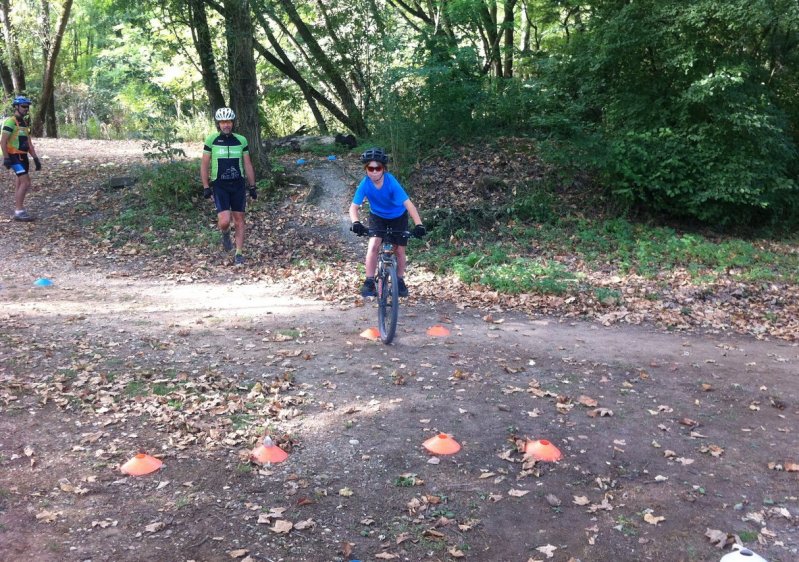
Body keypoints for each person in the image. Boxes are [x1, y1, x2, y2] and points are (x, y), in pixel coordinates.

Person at [349, 147, 426, 297]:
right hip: (378, 217)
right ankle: (370, 281)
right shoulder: (365, 184)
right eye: (370, 168)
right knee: (373, 245)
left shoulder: (391, 182)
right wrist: (356, 222)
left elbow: (408, 205)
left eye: (378, 168)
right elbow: (353, 207)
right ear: (366, 169)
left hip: (398, 216)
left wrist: (419, 224)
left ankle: (400, 280)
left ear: (383, 169)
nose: (374, 171)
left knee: (399, 250)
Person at [200, 107, 257, 266]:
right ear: (218, 124)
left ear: (233, 123)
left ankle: (239, 253)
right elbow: (204, 164)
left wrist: (252, 186)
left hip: (238, 184)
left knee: (239, 219)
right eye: (223, 122)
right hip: (220, 185)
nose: (226, 125)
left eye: (229, 122)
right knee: (224, 220)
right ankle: (225, 233)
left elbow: (247, 163)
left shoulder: (241, 140)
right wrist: (206, 186)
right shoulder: (211, 140)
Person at [2, 96, 42, 222]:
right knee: (26, 182)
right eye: (24, 106)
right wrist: (6, 158)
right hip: (14, 157)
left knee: (20, 183)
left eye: (27, 106)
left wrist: (35, 158)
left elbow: (29, 143)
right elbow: (2, 142)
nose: (26, 109)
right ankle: (19, 211)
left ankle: (19, 208)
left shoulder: (24, 123)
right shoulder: (10, 122)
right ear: (16, 107)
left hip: (23, 157)